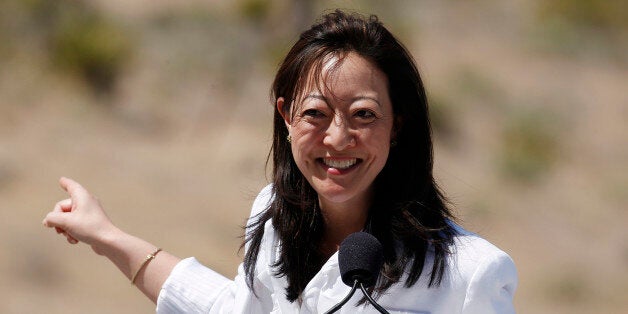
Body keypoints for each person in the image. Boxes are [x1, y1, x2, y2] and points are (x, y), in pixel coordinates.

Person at [43, 10, 517, 313]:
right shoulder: (274, 216)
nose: (337, 138)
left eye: (364, 115)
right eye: (315, 113)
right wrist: (104, 236)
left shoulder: (472, 273)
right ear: (286, 117)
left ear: (398, 126)